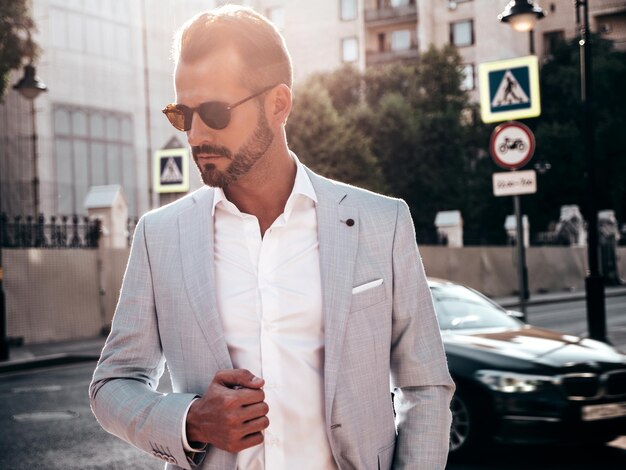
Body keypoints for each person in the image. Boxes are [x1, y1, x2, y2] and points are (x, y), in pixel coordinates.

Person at [89, 5, 454, 469]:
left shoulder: (381, 223)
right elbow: (112, 383)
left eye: (215, 112)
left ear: (278, 104)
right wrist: (190, 420)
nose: (196, 134)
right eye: (183, 114)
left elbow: (424, 384)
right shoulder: (159, 236)